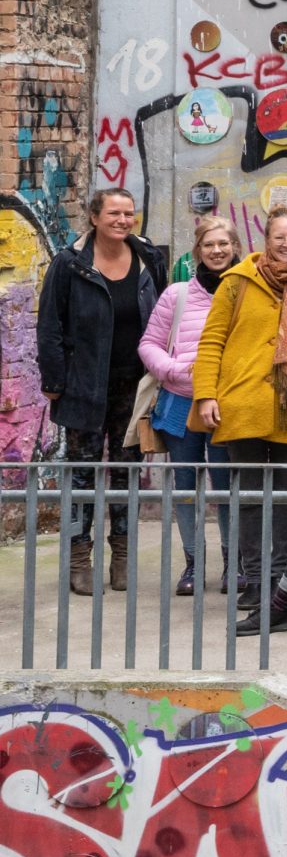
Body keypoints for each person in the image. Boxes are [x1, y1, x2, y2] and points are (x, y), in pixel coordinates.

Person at [191, 210, 287, 631]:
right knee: (251, 500)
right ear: (265, 239)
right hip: (244, 405)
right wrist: (205, 394)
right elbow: (212, 340)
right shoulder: (238, 281)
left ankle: (282, 588)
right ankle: (257, 581)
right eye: (279, 237)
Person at [38, 187, 169, 597]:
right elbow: (50, 327)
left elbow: (164, 317)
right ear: (94, 217)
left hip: (135, 387)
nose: (123, 220)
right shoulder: (69, 263)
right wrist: (55, 383)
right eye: (113, 212)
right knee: (82, 474)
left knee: (128, 473)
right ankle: (79, 558)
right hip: (83, 387)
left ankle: (123, 558)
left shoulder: (149, 258)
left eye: (129, 213)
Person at [138, 216, 236, 595]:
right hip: (180, 402)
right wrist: (175, 368)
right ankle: (193, 564)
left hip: (227, 406)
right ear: (198, 250)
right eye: (209, 244)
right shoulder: (176, 295)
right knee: (185, 486)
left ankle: (234, 564)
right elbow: (149, 344)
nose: (217, 251)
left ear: (234, 248)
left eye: (223, 244)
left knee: (229, 486)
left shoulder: (243, 292)